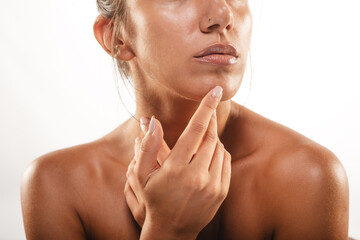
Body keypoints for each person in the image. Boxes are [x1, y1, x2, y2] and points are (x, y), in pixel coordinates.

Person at [20, 0, 350, 239]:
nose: (222, 15)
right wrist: (168, 232)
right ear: (117, 37)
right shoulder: (57, 186)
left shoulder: (306, 176)